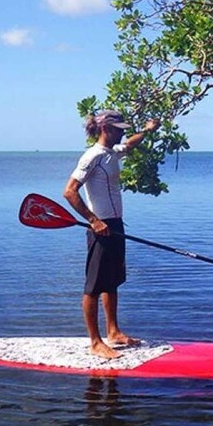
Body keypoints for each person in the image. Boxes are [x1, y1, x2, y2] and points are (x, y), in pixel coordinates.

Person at [64, 109, 159, 360]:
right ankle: (95, 342)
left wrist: (148, 131)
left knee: (112, 281)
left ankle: (113, 332)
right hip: (100, 228)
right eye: (119, 129)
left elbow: (129, 145)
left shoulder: (111, 153)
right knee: (93, 286)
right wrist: (94, 221)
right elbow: (70, 191)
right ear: (106, 129)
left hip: (115, 225)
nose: (123, 132)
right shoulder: (91, 157)